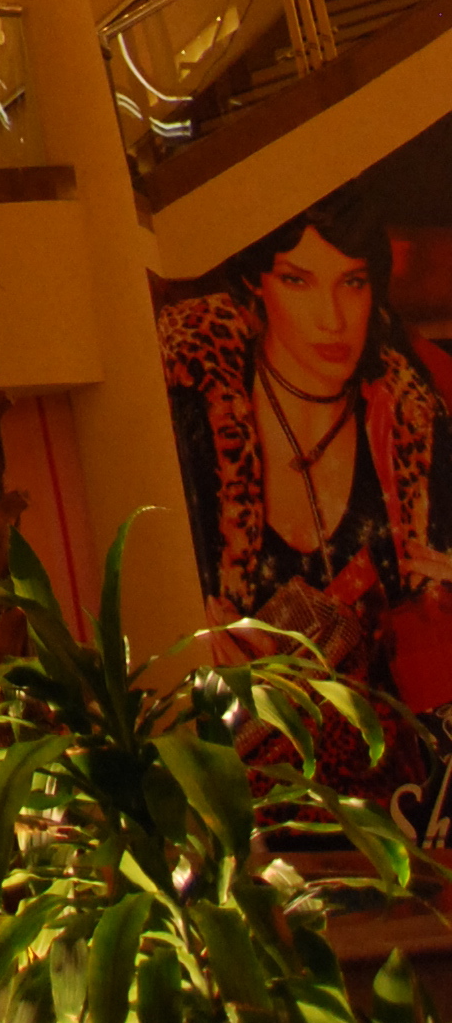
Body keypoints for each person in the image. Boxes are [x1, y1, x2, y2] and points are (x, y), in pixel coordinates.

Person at [162, 185, 452, 715]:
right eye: (298, 280)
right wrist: (186, 634)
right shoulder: (188, 417)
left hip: (412, 753)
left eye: (352, 283)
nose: (332, 319)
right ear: (256, 284)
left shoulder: (421, 412)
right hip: (252, 750)